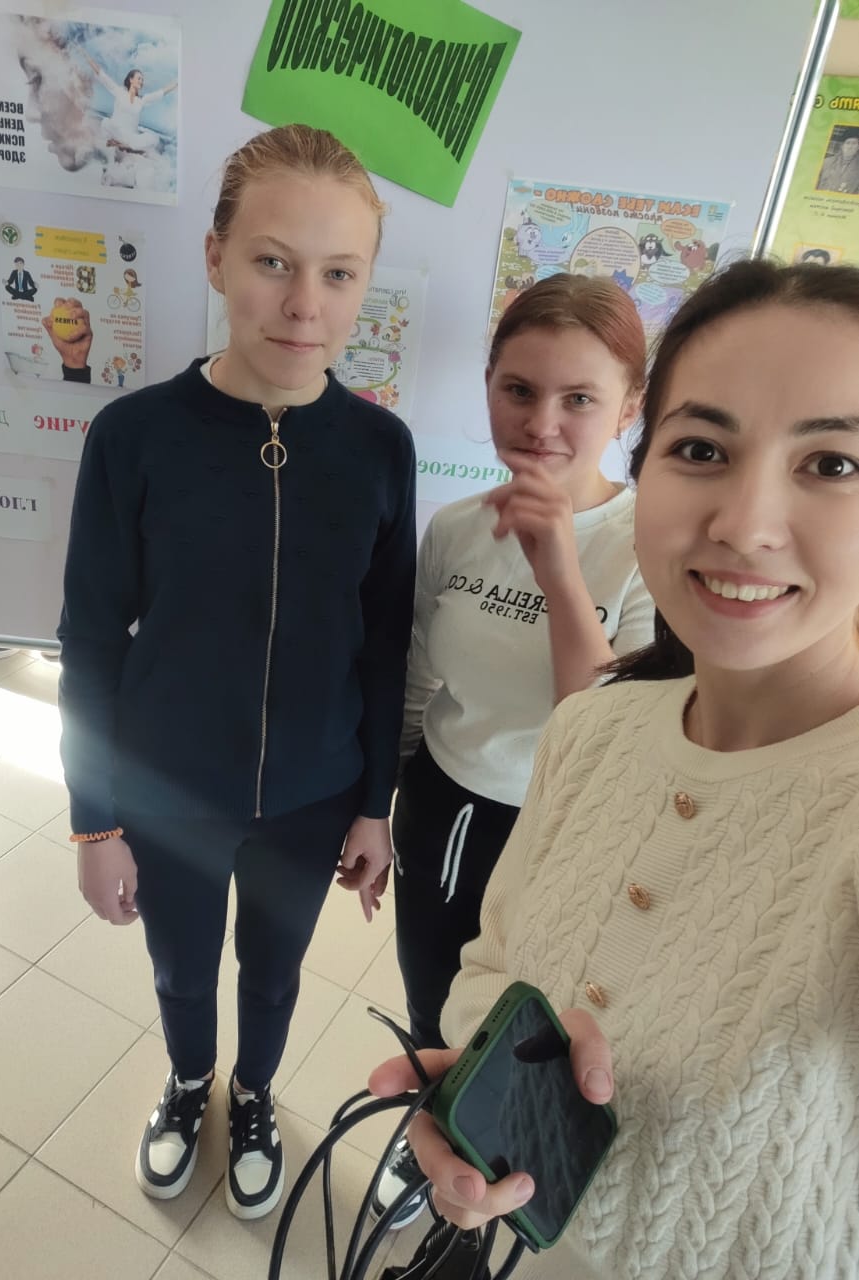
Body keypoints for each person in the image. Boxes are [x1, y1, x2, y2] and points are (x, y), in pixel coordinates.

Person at [371, 258, 859, 1279]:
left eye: (832, 464)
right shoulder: (595, 733)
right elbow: (491, 971)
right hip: (443, 808)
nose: (744, 523)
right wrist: (478, 1102)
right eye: (702, 448)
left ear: (619, 414)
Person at [57, 124, 415, 1220]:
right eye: (272, 261)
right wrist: (94, 823)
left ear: (363, 285)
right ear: (215, 258)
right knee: (179, 968)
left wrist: (374, 805)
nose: (304, 304)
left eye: (338, 273)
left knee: (274, 966)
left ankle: (254, 1091)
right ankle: (188, 1080)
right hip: (167, 789)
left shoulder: (379, 447)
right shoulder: (134, 436)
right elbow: (90, 636)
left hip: (312, 797)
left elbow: (385, 640)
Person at [374, 275, 653, 1225]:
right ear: (487, 385)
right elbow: (418, 679)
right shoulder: (456, 527)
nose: (542, 423)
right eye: (518, 390)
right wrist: (374, 809)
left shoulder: (650, 545)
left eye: (579, 398)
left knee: (530, 1023)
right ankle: (432, 1138)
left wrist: (559, 568)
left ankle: (509, 1169)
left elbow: (603, 726)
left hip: (563, 830)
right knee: (433, 1000)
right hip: (444, 807)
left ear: (628, 407)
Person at [83, 53, 177, 154]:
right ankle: (122, 144)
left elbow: (161, 93)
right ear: (131, 79)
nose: (141, 81)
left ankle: (123, 145)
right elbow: (102, 75)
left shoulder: (142, 100)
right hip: (115, 130)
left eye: (142, 79)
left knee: (154, 138)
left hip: (130, 137)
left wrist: (177, 83)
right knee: (107, 124)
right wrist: (86, 56)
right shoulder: (119, 92)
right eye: (139, 78)